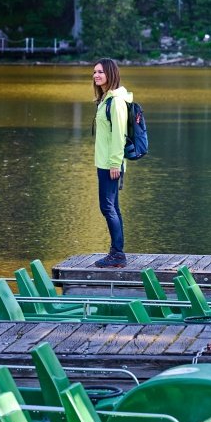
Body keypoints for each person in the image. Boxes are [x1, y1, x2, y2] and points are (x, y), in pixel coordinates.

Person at [91, 58, 132, 268]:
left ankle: (117, 253)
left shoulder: (115, 101)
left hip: (110, 164)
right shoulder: (107, 99)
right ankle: (117, 252)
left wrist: (116, 163)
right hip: (105, 162)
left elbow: (119, 135)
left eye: (100, 72)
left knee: (107, 207)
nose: (96, 75)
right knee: (112, 207)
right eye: (95, 72)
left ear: (110, 74)